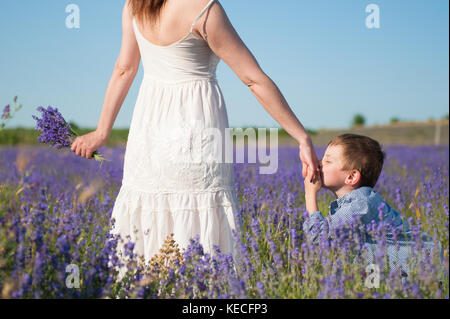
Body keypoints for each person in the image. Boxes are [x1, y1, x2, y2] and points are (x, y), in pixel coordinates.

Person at [69, 0, 320, 272]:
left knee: (147, 214)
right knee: (199, 218)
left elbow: (124, 69)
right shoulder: (204, 8)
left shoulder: (134, 6)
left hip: (149, 129)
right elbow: (252, 79)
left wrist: (101, 131)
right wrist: (301, 136)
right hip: (196, 128)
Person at [302, 133, 441, 277]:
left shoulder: (361, 203)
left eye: (328, 161)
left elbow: (318, 237)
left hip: (422, 274)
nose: (318, 163)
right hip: (393, 273)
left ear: (351, 177)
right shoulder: (350, 204)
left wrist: (310, 193)